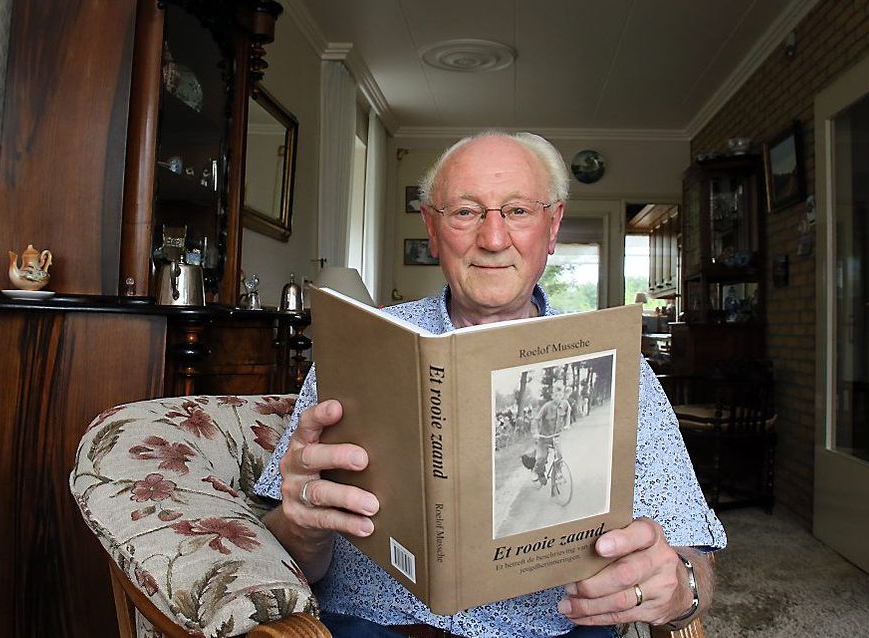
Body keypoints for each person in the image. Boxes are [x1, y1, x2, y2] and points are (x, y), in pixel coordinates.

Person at [254, 131, 726, 638]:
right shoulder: (359, 347)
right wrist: (300, 524)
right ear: (432, 230)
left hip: (557, 630)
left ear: (553, 227)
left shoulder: (622, 365)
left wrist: (678, 588)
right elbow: (282, 546)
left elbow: (690, 556)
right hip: (373, 626)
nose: (494, 238)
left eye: (518, 210)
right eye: (465, 212)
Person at [533, 382, 572, 485]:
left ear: (562, 395)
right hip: (544, 437)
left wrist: (567, 424)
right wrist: (536, 433)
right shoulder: (547, 406)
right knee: (542, 457)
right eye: (555, 395)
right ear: (552, 396)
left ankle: (558, 473)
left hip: (555, 436)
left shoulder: (565, 404)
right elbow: (536, 419)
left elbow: (569, 412)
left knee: (559, 455)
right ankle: (537, 471)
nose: (558, 397)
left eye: (560, 395)